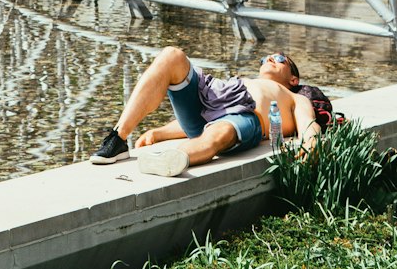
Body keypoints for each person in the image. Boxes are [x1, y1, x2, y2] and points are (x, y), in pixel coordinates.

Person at [90, 47, 321, 175]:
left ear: (293, 78)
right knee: (172, 56)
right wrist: (159, 132)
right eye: (266, 57)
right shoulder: (247, 81)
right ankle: (118, 138)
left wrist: (311, 142)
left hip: (246, 116)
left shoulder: (295, 97)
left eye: (279, 58)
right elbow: (202, 119)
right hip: (211, 95)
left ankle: (172, 159)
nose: (270, 57)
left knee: (220, 131)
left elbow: (309, 124)